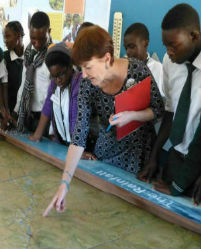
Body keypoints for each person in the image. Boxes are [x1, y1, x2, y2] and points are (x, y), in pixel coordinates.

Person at [43, 25, 164, 216]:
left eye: (88, 67)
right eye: (80, 68)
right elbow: (79, 136)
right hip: (108, 149)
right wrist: (64, 184)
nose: (83, 74)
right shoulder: (87, 84)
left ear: (107, 59)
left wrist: (132, 115)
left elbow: (158, 110)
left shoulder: (139, 71)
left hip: (139, 150)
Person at [137, 4, 201, 199]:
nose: (169, 52)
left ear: (194, 36)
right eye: (166, 46)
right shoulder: (170, 62)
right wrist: (154, 157)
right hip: (176, 160)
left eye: (174, 46)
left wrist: (182, 184)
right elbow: (171, 112)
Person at [28, 42, 96, 160]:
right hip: (64, 144)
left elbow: (77, 116)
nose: (58, 80)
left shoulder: (79, 83)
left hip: (82, 144)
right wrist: (37, 135)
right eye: (54, 76)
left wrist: (78, 150)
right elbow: (47, 107)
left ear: (70, 66)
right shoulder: (54, 84)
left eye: (61, 74)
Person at [14, 11, 52, 133]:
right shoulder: (29, 53)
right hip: (28, 114)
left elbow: (53, 96)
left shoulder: (53, 56)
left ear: (49, 32)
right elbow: (24, 83)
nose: (37, 43)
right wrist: (16, 111)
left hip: (46, 117)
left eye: (42, 39)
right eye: (33, 38)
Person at [123, 22, 164, 96]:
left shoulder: (159, 69)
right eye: (126, 48)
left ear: (145, 43)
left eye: (132, 46)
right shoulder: (123, 68)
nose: (128, 52)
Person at [0, 21, 25, 115]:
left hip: (25, 112)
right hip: (8, 110)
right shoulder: (4, 58)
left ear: (18, 36)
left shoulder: (30, 56)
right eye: (4, 37)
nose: (5, 40)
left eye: (8, 36)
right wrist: (7, 112)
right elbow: (4, 87)